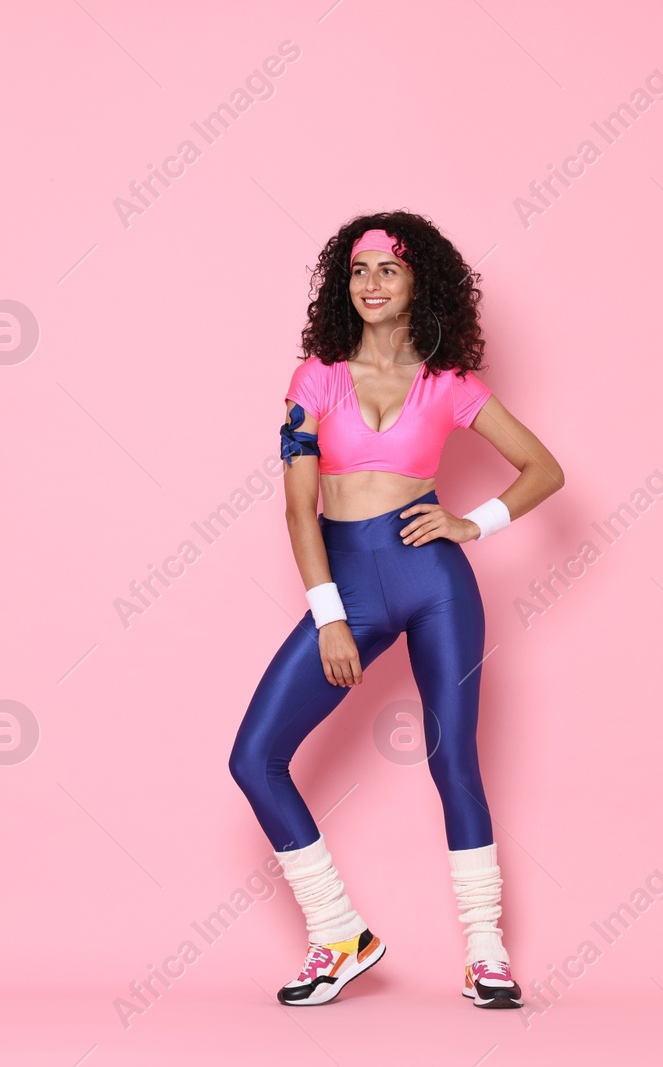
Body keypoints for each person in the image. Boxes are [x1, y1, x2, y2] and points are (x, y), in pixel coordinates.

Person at [228, 212, 564, 1009]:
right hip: (347, 587)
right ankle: (340, 932)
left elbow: (542, 469)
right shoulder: (317, 377)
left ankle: (488, 955)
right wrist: (328, 614)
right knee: (254, 757)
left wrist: (469, 522)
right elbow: (296, 509)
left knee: (454, 760)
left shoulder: (449, 385)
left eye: (388, 268)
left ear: (420, 282)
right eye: (358, 270)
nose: (370, 282)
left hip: (435, 581)